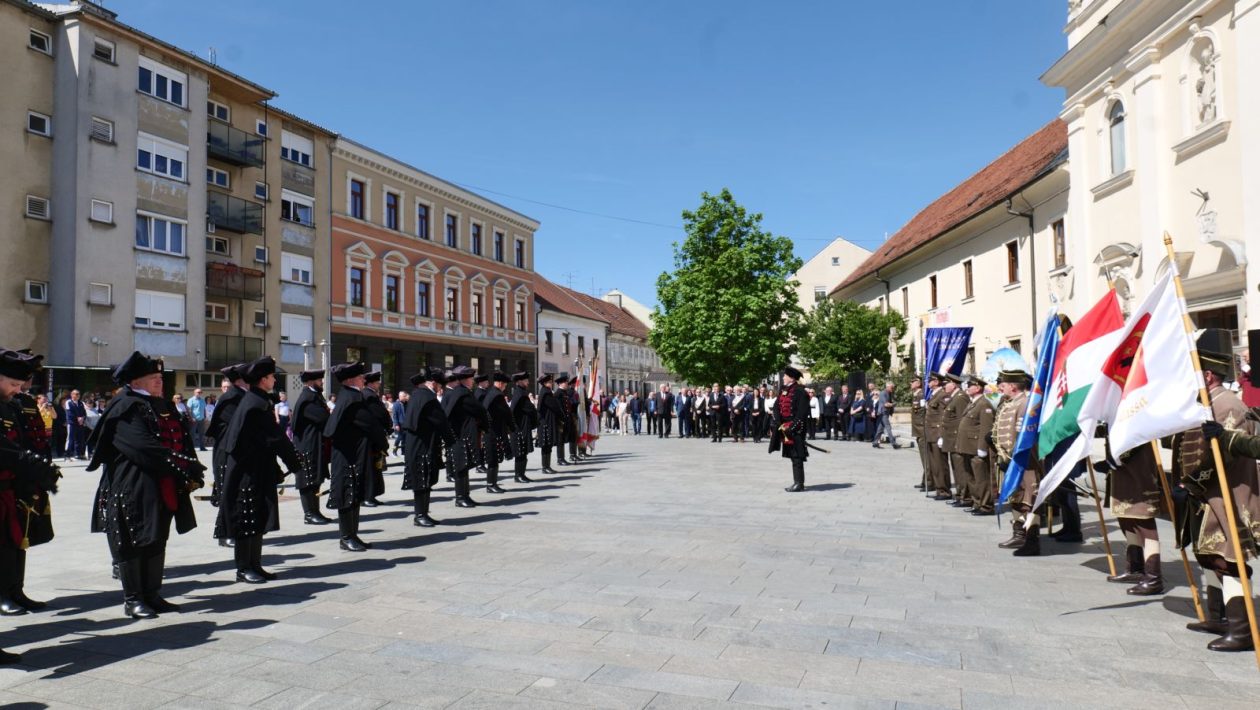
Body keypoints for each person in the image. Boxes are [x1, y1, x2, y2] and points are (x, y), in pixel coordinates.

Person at [87, 351, 204, 618]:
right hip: (132, 485)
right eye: (153, 377)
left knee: (157, 538)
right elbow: (142, 447)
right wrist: (181, 464)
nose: (159, 382)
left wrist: (190, 466)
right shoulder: (125, 406)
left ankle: (152, 593)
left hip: (161, 483)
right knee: (132, 541)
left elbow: (181, 438)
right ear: (136, 381)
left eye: (161, 377)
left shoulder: (159, 403)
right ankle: (133, 599)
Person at [1178, 329, 1260, 652]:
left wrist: (1190, 484)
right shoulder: (1207, 402)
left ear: (1208, 375)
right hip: (1210, 496)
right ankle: (1219, 617)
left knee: (1230, 559)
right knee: (1211, 556)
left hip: (1230, 497)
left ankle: (1242, 630)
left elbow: (1223, 456)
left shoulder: (1227, 404)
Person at [215, 356, 302, 584]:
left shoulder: (257, 399)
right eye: (272, 376)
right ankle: (243, 568)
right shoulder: (255, 403)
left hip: (256, 468)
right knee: (247, 518)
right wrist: (295, 463)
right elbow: (276, 438)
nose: (274, 380)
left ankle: (255, 564)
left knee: (257, 517)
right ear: (263, 379)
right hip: (246, 471)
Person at [0, 349, 62, 663]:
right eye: (13, 381)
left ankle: (13, 590)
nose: (19, 388)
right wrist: (34, 466)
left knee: (12, 547)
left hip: (10, 488)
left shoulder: (11, 403)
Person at [324, 362, 386, 551]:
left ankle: (352, 535)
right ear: (350, 379)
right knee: (348, 497)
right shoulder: (352, 399)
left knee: (354, 495)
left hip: (353, 455)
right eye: (360, 377)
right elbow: (370, 424)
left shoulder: (351, 396)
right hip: (347, 456)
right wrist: (383, 443)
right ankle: (346, 537)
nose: (363, 380)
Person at [1099, 435, 1164, 594]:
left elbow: (1137, 435)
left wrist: (1113, 461)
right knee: (1127, 519)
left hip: (1138, 471)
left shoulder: (1139, 409)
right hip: (1122, 471)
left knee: (1144, 523)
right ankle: (1135, 568)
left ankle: (1153, 577)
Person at [990, 370, 1040, 552]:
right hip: (1010, 461)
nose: (1001, 386)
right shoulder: (1009, 403)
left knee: (1029, 499)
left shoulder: (1025, 403)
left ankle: (1032, 540)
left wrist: (1011, 456)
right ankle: (1018, 535)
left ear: (1013, 386)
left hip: (1024, 462)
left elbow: (1024, 437)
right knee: (1016, 497)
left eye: (1004, 383)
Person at [402, 368, 456, 527]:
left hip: (416, 445)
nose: (441, 389)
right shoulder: (428, 398)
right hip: (423, 446)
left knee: (424, 480)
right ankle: (420, 515)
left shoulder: (417, 394)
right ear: (433, 383)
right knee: (422, 481)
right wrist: (452, 441)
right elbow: (441, 422)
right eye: (440, 386)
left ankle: (423, 513)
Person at [442, 365, 491, 508]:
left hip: (462, 435)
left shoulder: (461, 392)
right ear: (465, 379)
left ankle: (465, 495)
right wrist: (485, 425)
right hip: (460, 435)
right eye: (471, 378)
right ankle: (460, 497)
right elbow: (479, 410)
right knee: (460, 468)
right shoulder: (462, 393)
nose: (473, 381)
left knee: (463, 468)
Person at [291, 370, 333, 526]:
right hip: (307, 445)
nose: (321, 382)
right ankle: (309, 514)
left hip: (316, 444)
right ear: (310, 382)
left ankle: (315, 511)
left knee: (315, 480)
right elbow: (324, 418)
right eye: (319, 380)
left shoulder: (314, 396)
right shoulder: (308, 398)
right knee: (308, 480)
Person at [955, 375, 995, 515]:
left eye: (970, 385)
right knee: (971, 477)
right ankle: (977, 502)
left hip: (976, 447)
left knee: (981, 478)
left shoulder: (984, 404)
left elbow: (986, 427)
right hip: (968, 446)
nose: (967, 388)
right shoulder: (973, 402)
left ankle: (986, 505)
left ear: (977, 388)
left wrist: (982, 447)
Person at [770, 366, 810, 492]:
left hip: (795, 428)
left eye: (785, 376)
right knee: (792, 455)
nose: (783, 377)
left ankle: (799, 483)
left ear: (791, 378)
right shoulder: (783, 390)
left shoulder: (800, 391)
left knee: (797, 455)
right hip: (784, 427)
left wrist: (792, 427)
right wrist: (778, 422)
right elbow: (777, 406)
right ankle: (797, 482)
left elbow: (802, 413)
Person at [361, 372, 392, 507]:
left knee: (375, 468)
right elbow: (379, 414)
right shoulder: (369, 396)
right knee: (370, 468)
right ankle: (367, 496)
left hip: (374, 436)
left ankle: (371, 495)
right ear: (371, 383)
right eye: (377, 382)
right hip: (371, 438)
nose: (379, 384)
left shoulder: (370, 394)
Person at [481, 372, 515, 494]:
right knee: (493, 458)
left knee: (494, 458)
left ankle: (492, 483)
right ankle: (491, 484)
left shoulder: (491, 393)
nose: (505, 387)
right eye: (505, 385)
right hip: (493, 431)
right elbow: (506, 413)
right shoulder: (497, 395)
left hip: (491, 430)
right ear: (500, 383)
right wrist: (513, 428)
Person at [942, 374, 970, 507]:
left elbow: (961, 420)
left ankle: (965, 496)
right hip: (951, 438)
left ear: (953, 385)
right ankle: (959, 494)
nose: (944, 386)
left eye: (946, 383)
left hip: (956, 439)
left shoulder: (960, 398)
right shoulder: (954, 397)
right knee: (956, 468)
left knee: (960, 469)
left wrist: (958, 439)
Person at [509, 372, 538, 482]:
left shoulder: (522, 392)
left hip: (524, 426)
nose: (528, 382)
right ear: (520, 381)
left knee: (523, 451)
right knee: (520, 452)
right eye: (526, 380)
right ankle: (518, 475)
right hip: (519, 427)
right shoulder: (519, 393)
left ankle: (522, 474)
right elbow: (513, 410)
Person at [536, 374, 562, 473]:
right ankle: (545, 467)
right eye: (550, 382)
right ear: (545, 383)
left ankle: (547, 466)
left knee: (547, 444)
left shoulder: (545, 391)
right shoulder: (546, 393)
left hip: (547, 421)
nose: (551, 383)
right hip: (545, 422)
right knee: (546, 444)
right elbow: (554, 406)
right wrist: (561, 414)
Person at [909, 375, 928, 490]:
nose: (910, 383)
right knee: (923, 458)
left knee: (926, 459)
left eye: (912, 381)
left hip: (922, 430)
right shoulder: (916, 395)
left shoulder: (922, 395)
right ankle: (925, 480)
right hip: (918, 430)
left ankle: (927, 481)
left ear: (918, 383)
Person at [872, 382, 901, 449]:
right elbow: (886, 404)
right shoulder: (883, 393)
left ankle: (875, 442)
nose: (893, 389)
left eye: (893, 387)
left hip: (885, 413)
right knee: (888, 428)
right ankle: (893, 443)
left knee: (880, 429)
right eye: (892, 387)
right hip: (883, 413)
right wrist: (893, 404)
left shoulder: (889, 393)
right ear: (887, 387)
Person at [64, 389, 87, 460]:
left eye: (79, 394)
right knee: (70, 439)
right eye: (76, 394)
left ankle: (78, 454)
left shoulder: (81, 403)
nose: (77, 395)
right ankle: (67, 455)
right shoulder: (68, 402)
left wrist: (82, 418)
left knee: (80, 439)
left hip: (80, 424)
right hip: (72, 424)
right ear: (72, 395)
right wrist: (78, 418)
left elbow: (84, 413)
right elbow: (70, 413)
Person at [391, 391, 408, 456]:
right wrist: (396, 424)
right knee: (399, 438)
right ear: (400, 396)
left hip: (405, 424)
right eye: (404, 396)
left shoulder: (406, 403)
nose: (405, 397)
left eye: (405, 396)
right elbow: (395, 415)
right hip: (399, 425)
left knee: (404, 439)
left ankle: (403, 451)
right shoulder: (396, 404)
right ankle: (394, 451)